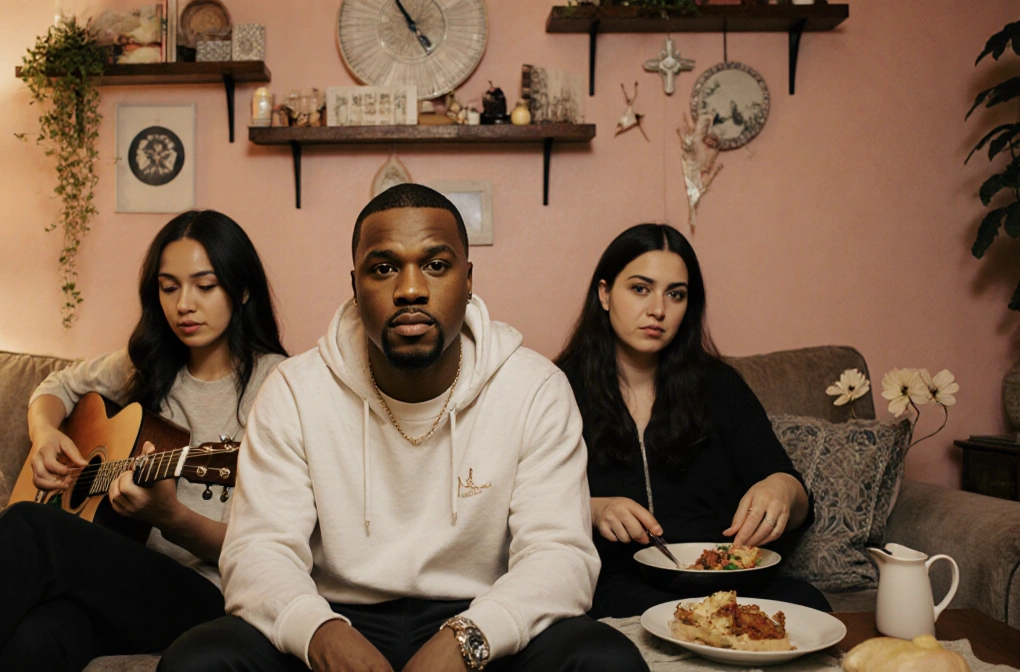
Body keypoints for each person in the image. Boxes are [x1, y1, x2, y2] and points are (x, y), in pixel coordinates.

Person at [159, 184, 646, 672]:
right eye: (384, 267)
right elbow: (258, 552)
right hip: (334, 615)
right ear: (354, 285)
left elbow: (559, 556)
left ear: (469, 278)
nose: (410, 289)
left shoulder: (534, 387)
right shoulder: (294, 391)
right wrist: (321, 636)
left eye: (435, 265)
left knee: (604, 659)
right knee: (198, 661)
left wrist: (469, 639)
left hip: (482, 616)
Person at [0, 210, 288, 671]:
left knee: (29, 525)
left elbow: (271, 546)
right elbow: (56, 387)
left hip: (208, 596)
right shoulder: (147, 362)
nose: (184, 304)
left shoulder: (279, 386)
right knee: (32, 640)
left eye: (205, 286)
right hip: (113, 581)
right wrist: (45, 434)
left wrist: (171, 517)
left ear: (242, 289)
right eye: (169, 287)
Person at [554, 223, 830, 618]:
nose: (658, 310)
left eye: (676, 294)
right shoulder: (556, 389)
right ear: (604, 293)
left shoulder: (720, 386)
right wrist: (593, 508)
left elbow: (793, 492)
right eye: (639, 288)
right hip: (616, 580)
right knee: (660, 617)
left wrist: (782, 490)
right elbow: (520, 507)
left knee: (810, 606)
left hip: (723, 578)